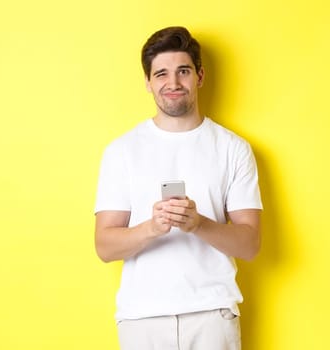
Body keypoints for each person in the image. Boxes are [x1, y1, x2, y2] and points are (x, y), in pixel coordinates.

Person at [93, 26, 262, 350]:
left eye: (183, 71)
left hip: (212, 314)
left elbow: (250, 244)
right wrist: (153, 227)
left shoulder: (232, 148)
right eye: (161, 74)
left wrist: (198, 224)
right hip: (142, 318)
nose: (172, 83)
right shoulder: (121, 151)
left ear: (199, 76)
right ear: (148, 82)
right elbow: (104, 246)